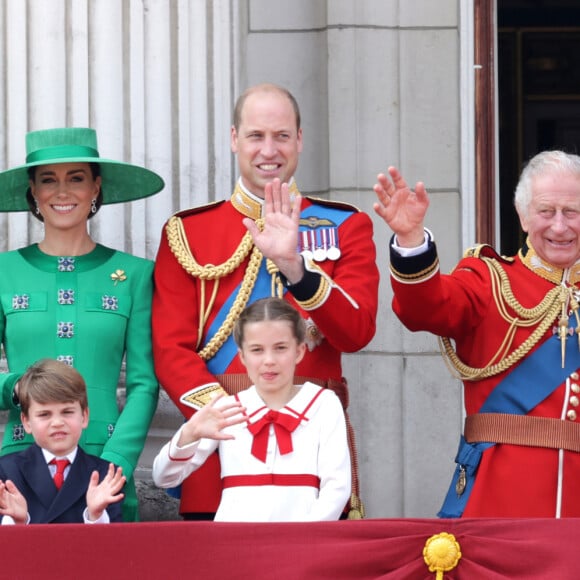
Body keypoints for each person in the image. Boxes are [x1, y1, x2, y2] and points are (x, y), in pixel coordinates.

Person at [152, 83, 379, 519]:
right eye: (256, 136)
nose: (268, 149)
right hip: (220, 448)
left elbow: (357, 332)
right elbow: (169, 349)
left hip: (313, 444)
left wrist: (297, 269)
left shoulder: (346, 225)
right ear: (235, 139)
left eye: (281, 135)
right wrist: (229, 418)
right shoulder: (188, 232)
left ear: (300, 139)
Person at [373, 151, 580, 518]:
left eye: (572, 212)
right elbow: (426, 308)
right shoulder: (489, 281)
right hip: (501, 504)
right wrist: (410, 239)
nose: (560, 227)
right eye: (547, 212)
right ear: (523, 216)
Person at [0, 127, 163, 521]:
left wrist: (115, 460)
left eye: (76, 178)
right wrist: (16, 386)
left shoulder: (136, 274)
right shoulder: (3, 271)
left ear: (96, 187)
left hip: (105, 468)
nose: (62, 191)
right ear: (33, 191)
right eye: (48, 180)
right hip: (20, 466)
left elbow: (144, 383)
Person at [153, 297, 351, 521]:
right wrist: (190, 433)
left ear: (299, 351)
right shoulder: (227, 408)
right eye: (257, 350)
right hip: (234, 545)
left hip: (303, 545)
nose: (269, 360)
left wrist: (304, 540)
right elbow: (163, 477)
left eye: (280, 348)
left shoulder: (324, 404)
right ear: (242, 357)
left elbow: (337, 487)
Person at [0, 359, 125, 524]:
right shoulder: (7, 471)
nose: (57, 422)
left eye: (67, 412)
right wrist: (19, 522)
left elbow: (116, 545)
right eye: (44, 414)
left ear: (85, 416)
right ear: (26, 422)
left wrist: (95, 516)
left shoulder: (106, 475)